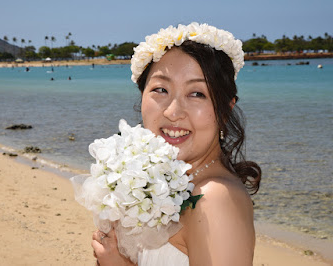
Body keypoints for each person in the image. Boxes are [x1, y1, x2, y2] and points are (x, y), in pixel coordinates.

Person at [91, 22, 261, 266]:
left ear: (225, 110)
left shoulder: (214, 199)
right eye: (161, 89)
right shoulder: (165, 184)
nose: (173, 112)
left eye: (197, 93)